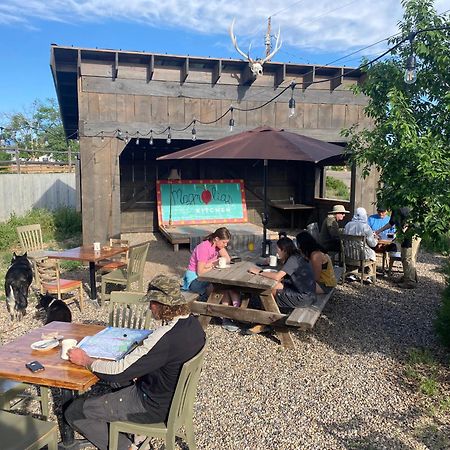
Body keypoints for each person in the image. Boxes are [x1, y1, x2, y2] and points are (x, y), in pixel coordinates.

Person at [64, 274, 206, 450]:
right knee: (119, 380)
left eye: (151, 304)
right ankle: (128, 432)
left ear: (157, 304)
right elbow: (168, 361)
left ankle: (126, 447)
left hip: (152, 406)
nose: (149, 307)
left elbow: (118, 370)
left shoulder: (164, 337)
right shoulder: (194, 324)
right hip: (173, 398)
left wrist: (85, 360)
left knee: (75, 411)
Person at [246, 237, 316, 334]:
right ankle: (267, 315)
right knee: (276, 286)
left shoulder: (293, 260)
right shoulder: (297, 256)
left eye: (278, 249)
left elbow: (277, 276)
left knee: (271, 289)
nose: (277, 252)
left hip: (303, 298)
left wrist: (259, 272)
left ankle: (264, 323)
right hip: (309, 295)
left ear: (284, 249)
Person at [182, 227, 241, 331]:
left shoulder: (218, 246)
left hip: (208, 275)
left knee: (228, 287)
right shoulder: (204, 248)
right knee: (221, 288)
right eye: (224, 242)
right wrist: (213, 265)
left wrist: (220, 251)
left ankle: (235, 312)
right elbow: (200, 272)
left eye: (226, 243)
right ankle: (227, 317)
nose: (225, 245)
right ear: (216, 239)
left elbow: (227, 259)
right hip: (194, 280)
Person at [375, 207, 420, 289]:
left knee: (407, 258)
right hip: (405, 235)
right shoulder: (395, 208)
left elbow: (411, 221)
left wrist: (404, 228)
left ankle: (410, 281)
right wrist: (379, 231)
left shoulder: (403, 207)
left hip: (411, 234)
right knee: (406, 257)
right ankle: (410, 277)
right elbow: (391, 223)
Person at [343, 207, 378, 282]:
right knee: (371, 253)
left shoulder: (348, 225)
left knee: (356, 250)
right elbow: (372, 244)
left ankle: (353, 273)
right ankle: (369, 274)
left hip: (349, 253)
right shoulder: (365, 227)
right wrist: (376, 239)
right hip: (362, 255)